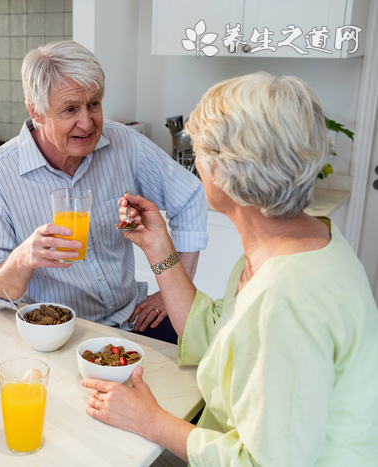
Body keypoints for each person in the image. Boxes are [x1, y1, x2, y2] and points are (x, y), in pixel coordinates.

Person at [82, 72, 378, 465]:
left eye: (199, 151)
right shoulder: (297, 241)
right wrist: (157, 245)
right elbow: (211, 334)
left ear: (225, 173)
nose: (194, 161)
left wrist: (151, 421)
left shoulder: (285, 301)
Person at [0, 41, 208, 342]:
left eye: (93, 104)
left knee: (204, 360)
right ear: (36, 111)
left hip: (132, 316)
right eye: (70, 109)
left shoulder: (125, 144)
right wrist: (23, 258)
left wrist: (172, 292)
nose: (87, 122)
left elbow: (190, 197)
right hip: (54, 332)